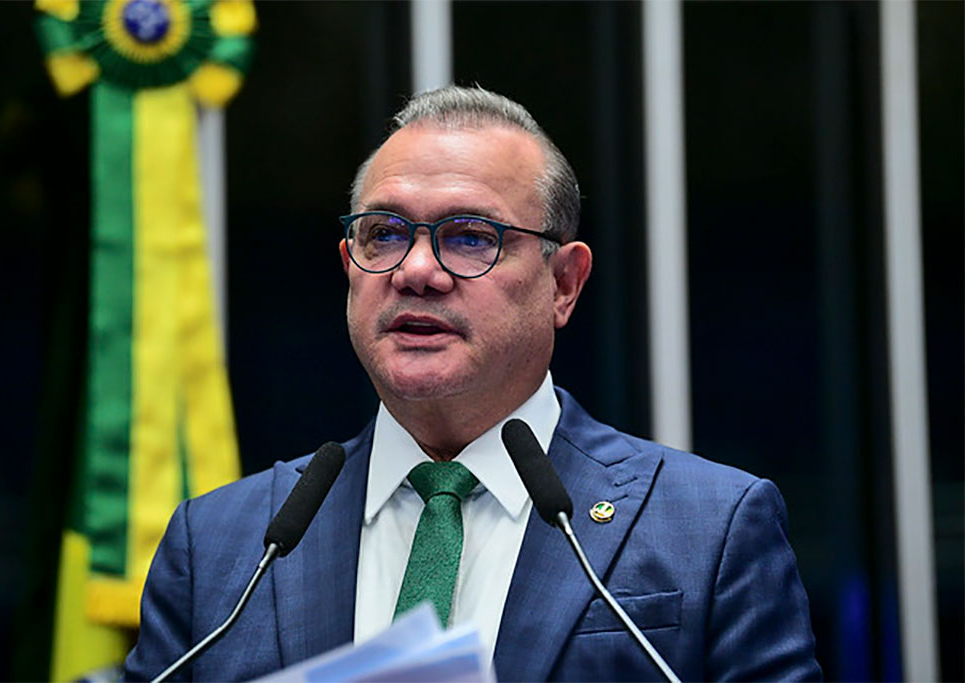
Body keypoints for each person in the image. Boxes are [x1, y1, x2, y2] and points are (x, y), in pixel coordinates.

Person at [125, 86, 821, 681]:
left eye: (468, 236)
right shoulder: (222, 548)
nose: (415, 270)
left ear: (564, 283)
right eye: (384, 233)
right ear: (349, 264)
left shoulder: (712, 528)